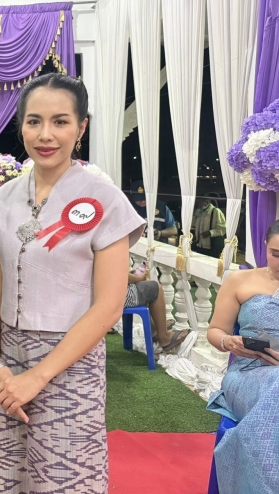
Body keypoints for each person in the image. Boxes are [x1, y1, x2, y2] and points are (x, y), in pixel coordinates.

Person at [0, 74, 145, 493]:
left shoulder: (105, 199)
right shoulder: (4, 197)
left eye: (60, 121)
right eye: (34, 121)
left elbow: (109, 306)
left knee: (64, 480)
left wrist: (37, 377)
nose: (46, 135)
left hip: (69, 365)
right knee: (7, 478)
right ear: (21, 126)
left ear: (81, 127)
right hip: (6, 367)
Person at [205, 220, 279, 494]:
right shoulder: (240, 280)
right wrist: (228, 341)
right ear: (265, 246)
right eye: (276, 254)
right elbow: (215, 331)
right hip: (246, 374)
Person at [126, 269, 191, 352]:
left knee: (146, 286)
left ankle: (155, 329)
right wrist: (139, 278)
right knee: (156, 287)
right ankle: (164, 338)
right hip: (119, 297)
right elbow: (121, 277)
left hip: (111, 296)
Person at [129, 180, 178, 244]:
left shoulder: (162, 207)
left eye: (144, 198)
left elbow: (174, 230)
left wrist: (160, 233)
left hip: (159, 246)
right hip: (135, 245)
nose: (142, 201)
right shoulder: (129, 208)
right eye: (138, 199)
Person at [191, 194, 226, 258]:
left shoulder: (216, 212)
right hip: (200, 245)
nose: (197, 204)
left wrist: (210, 233)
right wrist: (194, 215)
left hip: (212, 246)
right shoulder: (199, 212)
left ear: (206, 202)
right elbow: (193, 225)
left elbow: (223, 229)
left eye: (199, 202)